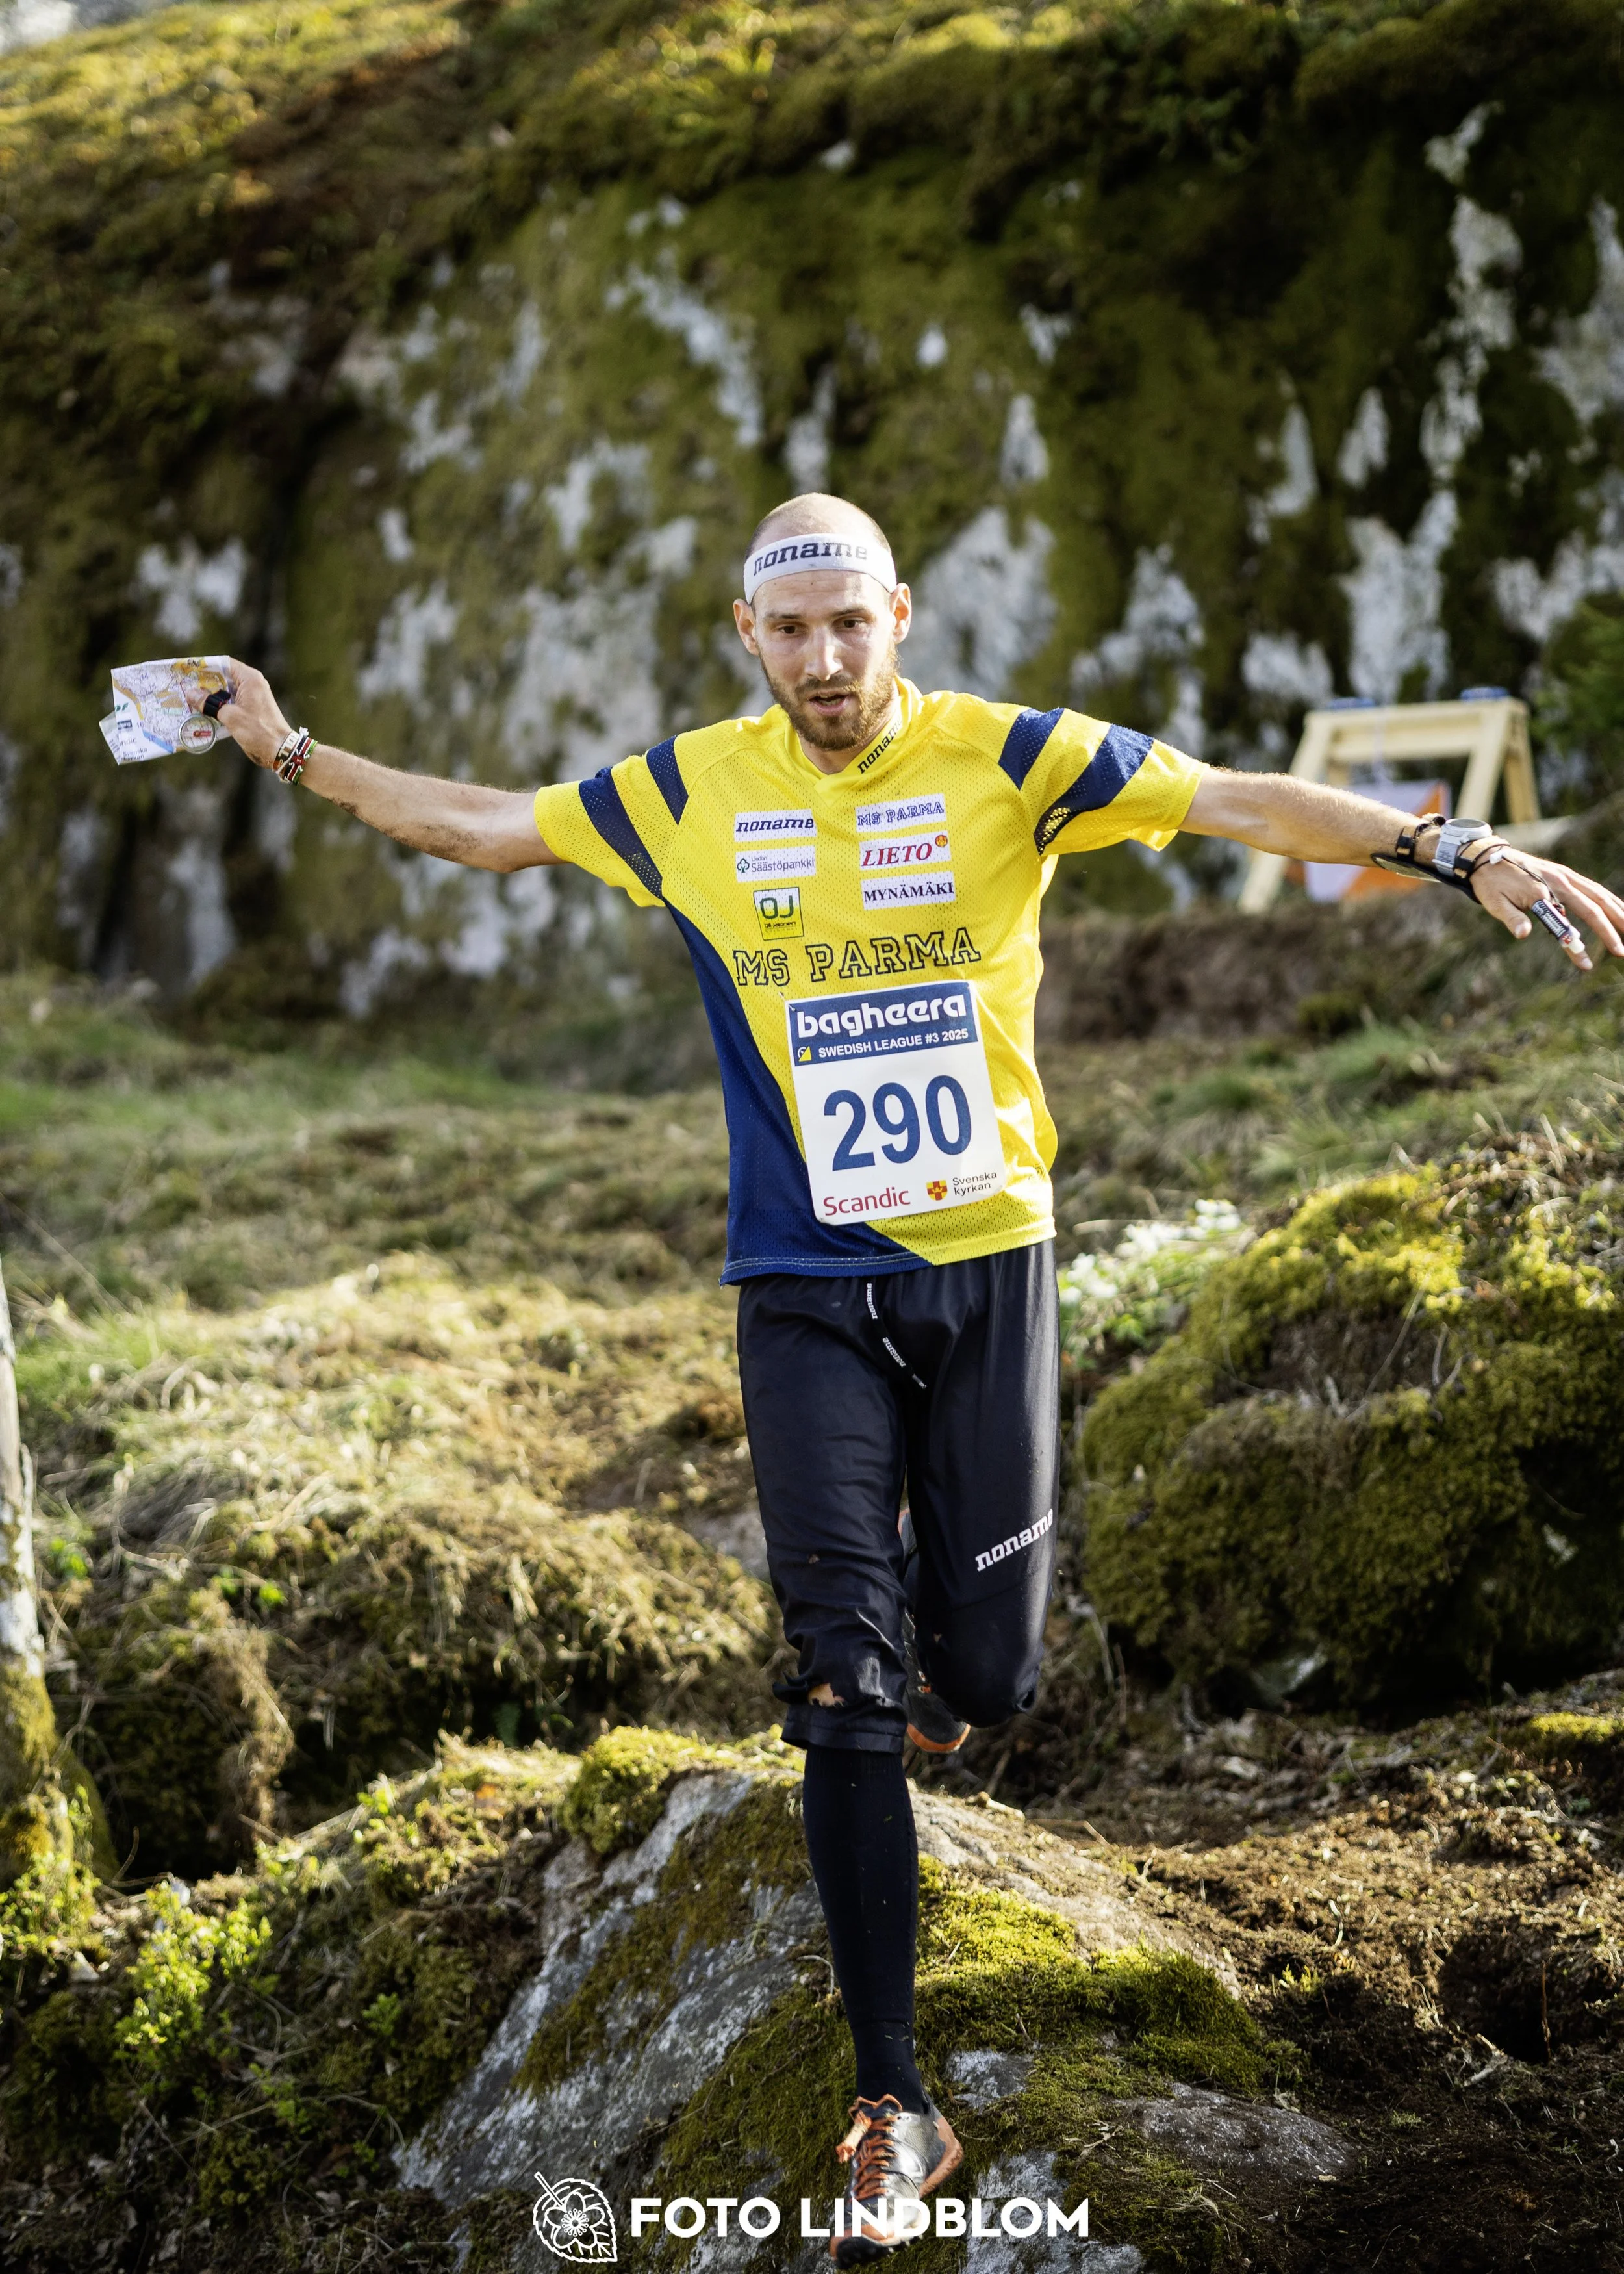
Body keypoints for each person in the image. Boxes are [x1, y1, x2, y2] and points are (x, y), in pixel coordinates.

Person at [215, 493, 1624, 2262]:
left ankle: (930, 1701)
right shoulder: (684, 793)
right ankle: (895, 2091)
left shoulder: (1009, 759)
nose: (819, 661)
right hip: (799, 1283)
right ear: (746, 632)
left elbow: (1230, 796)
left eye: (847, 626)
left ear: (898, 614)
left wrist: (1450, 852)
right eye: (785, 632)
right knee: (841, 1680)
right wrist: (291, 751)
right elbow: (487, 828)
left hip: (986, 1268)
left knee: (995, 1667)